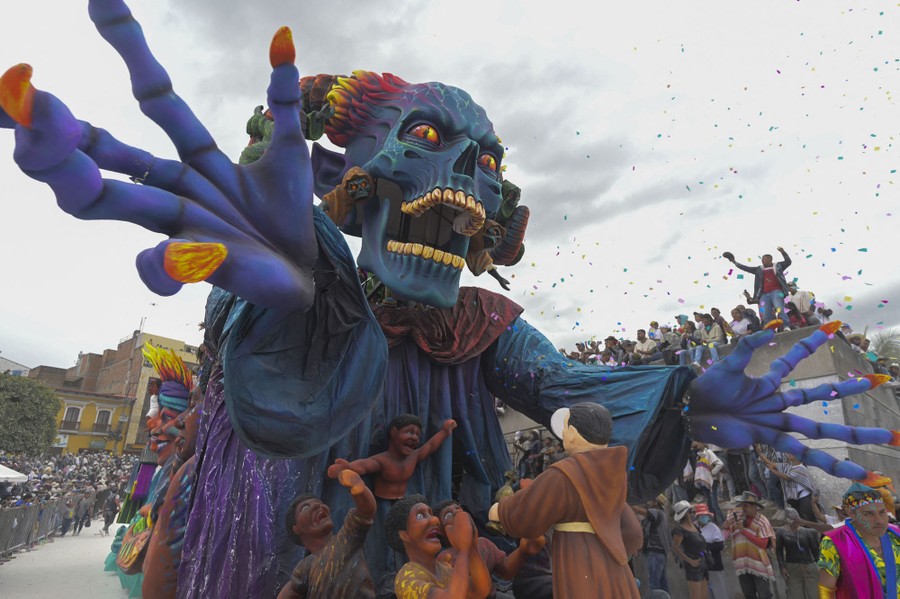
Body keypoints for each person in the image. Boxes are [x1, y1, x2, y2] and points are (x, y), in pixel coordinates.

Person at [489, 402, 643, 597]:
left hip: (579, 558)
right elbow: (634, 534)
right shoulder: (615, 474)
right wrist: (611, 548)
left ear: (572, 432)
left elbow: (527, 516)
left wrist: (501, 510)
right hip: (615, 569)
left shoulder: (565, 473)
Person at [276, 470, 377, 599]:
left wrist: (358, 487)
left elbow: (366, 510)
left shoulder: (346, 538)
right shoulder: (305, 566)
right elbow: (290, 591)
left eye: (319, 503)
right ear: (296, 528)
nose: (318, 506)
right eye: (305, 508)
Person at [328, 414, 456, 500]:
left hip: (403, 499)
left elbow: (431, 445)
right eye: (410, 432)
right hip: (381, 501)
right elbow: (366, 465)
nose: (415, 438)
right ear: (394, 432)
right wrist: (349, 467)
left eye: (417, 434)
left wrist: (444, 432)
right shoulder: (382, 460)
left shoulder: (413, 456)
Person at [433, 499, 545, 598]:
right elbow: (475, 592)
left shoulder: (483, 544)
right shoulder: (445, 558)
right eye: (447, 515)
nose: (457, 513)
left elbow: (505, 570)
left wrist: (522, 551)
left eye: (458, 509)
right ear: (440, 531)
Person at [388, 494, 490, 599]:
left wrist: (472, 548)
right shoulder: (406, 579)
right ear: (404, 535)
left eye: (430, 514)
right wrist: (463, 550)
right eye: (420, 516)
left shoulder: (443, 569)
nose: (435, 520)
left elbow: (480, 591)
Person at [817, 482, 900, 598]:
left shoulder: (896, 534)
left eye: (882, 512)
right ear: (852, 514)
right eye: (868, 514)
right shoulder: (836, 542)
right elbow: (826, 589)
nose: (879, 520)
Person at [724, 247, 792, 330]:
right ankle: (770, 330)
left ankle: (786, 326)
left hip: (776, 291)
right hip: (764, 294)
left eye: (765, 259)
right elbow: (745, 268)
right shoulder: (759, 269)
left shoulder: (777, 266)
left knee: (780, 309)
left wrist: (783, 252)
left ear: (770, 259)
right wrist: (734, 262)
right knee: (766, 313)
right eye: (762, 259)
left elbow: (788, 262)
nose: (763, 261)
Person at [724, 491, 775, 599]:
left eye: (746, 506)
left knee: (764, 595)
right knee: (748, 594)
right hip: (742, 562)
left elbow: (763, 543)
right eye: (742, 505)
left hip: (758, 563)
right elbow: (725, 528)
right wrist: (730, 522)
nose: (743, 508)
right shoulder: (737, 517)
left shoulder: (762, 521)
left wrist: (743, 531)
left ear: (754, 507)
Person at [775, 507, 820, 599]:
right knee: (795, 594)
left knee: (814, 594)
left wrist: (819, 566)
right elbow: (779, 550)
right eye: (793, 522)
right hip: (792, 566)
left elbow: (815, 551)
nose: (795, 524)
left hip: (809, 565)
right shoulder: (781, 532)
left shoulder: (808, 532)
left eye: (796, 521)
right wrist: (782, 567)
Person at [632, 495, 671, 593]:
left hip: (655, 553)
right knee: (662, 583)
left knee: (654, 584)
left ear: (656, 503)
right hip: (660, 553)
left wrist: (627, 503)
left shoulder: (656, 512)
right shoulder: (661, 515)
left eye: (650, 500)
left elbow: (639, 511)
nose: (647, 502)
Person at [671, 500, 709, 599]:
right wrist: (690, 561)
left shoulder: (695, 526)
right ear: (685, 514)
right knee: (696, 596)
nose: (693, 513)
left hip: (702, 562)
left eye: (693, 511)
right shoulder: (680, 530)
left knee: (704, 595)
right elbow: (675, 547)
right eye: (690, 511)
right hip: (693, 563)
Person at [695, 504, 728, 599]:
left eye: (705, 515)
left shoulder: (713, 528)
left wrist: (705, 547)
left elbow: (720, 545)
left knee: (719, 591)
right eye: (701, 516)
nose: (704, 518)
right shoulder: (695, 528)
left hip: (714, 564)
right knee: (707, 592)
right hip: (701, 565)